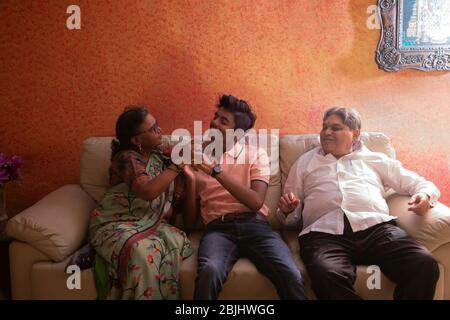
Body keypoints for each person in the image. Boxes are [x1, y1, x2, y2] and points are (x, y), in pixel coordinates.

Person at [277, 107, 440, 300]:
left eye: (335, 128)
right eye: (324, 127)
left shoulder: (376, 159)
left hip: (377, 230)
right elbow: (288, 218)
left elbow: (420, 183)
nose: (326, 132)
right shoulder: (305, 162)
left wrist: (425, 196)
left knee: (423, 263)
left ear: (355, 134)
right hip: (323, 234)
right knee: (326, 273)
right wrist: (288, 211)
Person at [191, 94, 306, 300]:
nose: (214, 123)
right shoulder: (197, 155)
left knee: (290, 274)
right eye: (216, 116)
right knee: (210, 271)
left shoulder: (256, 154)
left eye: (223, 121)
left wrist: (216, 171)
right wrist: (188, 176)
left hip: (255, 225)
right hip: (218, 229)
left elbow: (255, 202)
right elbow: (190, 219)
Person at [88, 106, 196, 299]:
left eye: (158, 126)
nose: (160, 131)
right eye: (154, 129)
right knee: (141, 251)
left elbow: (187, 220)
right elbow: (147, 192)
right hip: (116, 222)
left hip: (152, 224)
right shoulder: (127, 158)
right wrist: (176, 165)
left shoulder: (159, 157)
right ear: (136, 140)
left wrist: (189, 175)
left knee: (175, 241)